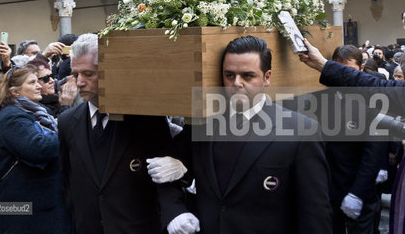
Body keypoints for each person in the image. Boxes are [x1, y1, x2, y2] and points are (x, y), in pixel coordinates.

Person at [157, 36, 332, 234]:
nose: (237, 83)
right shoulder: (202, 125)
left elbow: (314, 213)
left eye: (247, 76)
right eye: (229, 75)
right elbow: (165, 170)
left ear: (267, 77)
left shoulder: (300, 131)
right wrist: (175, 211)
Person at [58, 33, 172, 234]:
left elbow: (164, 181)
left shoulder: (145, 118)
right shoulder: (68, 122)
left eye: (88, 74)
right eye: (76, 75)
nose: (80, 82)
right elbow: (67, 180)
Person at [298, 38, 405, 234]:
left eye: (345, 69)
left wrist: (357, 193)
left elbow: (373, 152)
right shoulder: (320, 100)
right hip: (332, 189)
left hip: (361, 190)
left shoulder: (373, 102)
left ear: (360, 67)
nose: (340, 75)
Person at [0, 64, 70, 234]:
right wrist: (67, 125)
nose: (38, 86)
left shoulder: (34, 111)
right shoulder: (12, 116)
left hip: (42, 203)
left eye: (37, 81)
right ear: (15, 92)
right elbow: (38, 148)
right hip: (29, 209)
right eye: (31, 82)